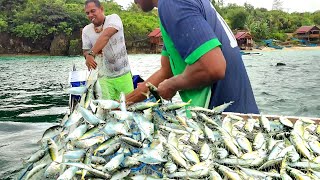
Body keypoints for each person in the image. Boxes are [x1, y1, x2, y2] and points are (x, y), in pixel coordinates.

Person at [126, 0, 259, 114]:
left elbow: (213, 68)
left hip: (225, 120)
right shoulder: (172, 8)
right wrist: (125, 102)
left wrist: (172, 85)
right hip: (243, 114)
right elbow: (166, 71)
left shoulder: (171, 3)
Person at [82, 0, 133, 100]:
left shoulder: (113, 18)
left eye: (93, 11)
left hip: (123, 74)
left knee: (129, 106)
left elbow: (106, 35)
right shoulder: (86, 30)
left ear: (101, 9)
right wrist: (87, 56)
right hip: (104, 78)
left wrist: (92, 53)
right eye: (87, 13)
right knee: (107, 111)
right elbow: (86, 51)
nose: (90, 15)